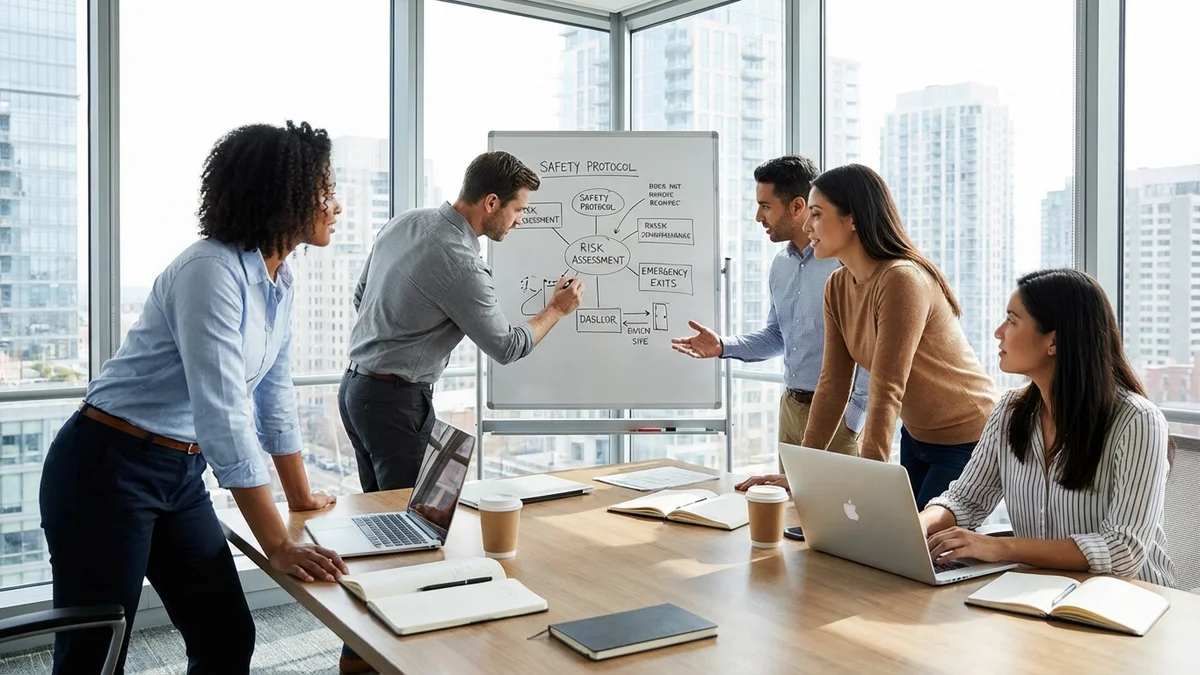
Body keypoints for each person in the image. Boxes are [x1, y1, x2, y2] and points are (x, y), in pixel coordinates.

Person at [39, 121, 349, 674]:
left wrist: (299, 498)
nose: (336, 206)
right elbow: (225, 415)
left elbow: (273, 398)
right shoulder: (211, 270)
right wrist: (276, 543)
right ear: (285, 193)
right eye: (325, 190)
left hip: (181, 472)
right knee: (95, 652)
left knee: (226, 634)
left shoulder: (279, 280)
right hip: (107, 467)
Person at [336, 150, 583, 673]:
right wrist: (556, 310)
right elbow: (509, 346)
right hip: (396, 403)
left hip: (358, 390)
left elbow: (361, 295)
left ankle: (358, 658)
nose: (519, 222)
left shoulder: (407, 222)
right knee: (410, 539)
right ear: (490, 203)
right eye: (517, 211)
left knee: (385, 528)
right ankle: (387, 657)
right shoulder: (461, 262)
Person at [736, 164, 997, 509]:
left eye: (816, 214)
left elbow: (887, 388)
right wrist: (803, 472)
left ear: (852, 219)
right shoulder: (837, 286)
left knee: (924, 547)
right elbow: (832, 385)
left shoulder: (901, 279)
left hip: (970, 435)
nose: (806, 225)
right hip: (917, 435)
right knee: (899, 548)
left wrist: (868, 482)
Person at [921, 269, 1176, 587]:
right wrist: (919, 524)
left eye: (1012, 320)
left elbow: (1122, 550)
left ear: (1053, 341)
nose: (998, 332)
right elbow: (967, 499)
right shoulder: (1011, 412)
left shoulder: (1137, 420)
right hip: (1038, 592)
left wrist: (1001, 548)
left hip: (1128, 604)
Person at [672, 155, 868, 460]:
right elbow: (778, 336)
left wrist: (853, 420)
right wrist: (723, 346)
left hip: (838, 417)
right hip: (790, 409)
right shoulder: (780, 265)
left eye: (765, 206)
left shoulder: (845, 263)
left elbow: (870, 351)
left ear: (798, 207)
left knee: (837, 509)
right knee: (787, 506)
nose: (758, 217)